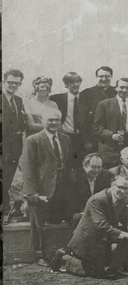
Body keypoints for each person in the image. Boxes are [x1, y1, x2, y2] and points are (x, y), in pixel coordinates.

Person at [53, 175, 128, 279]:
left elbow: (126, 218)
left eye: (126, 188)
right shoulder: (98, 199)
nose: (123, 191)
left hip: (105, 237)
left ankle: (114, 269)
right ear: (112, 185)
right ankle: (64, 257)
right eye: (120, 187)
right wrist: (126, 234)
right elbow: (101, 225)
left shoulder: (121, 198)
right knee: (94, 273)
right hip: (89, 240)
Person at [21, 108, 72, 266]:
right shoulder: (33, 140)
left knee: (64, 220)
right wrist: (33, 194)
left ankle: (63, 252)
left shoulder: (65, 139)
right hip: (41, 190)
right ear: (43, 121)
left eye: (57, 120)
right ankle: (39, 255)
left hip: (61, 189)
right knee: (38, 224)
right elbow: (28, 169)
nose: (54, 123)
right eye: (50, 120)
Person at [93, 78, 128, 168]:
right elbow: (97, 127)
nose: (124, 90)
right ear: (116, 88)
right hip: (110, 149)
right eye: (121, 87)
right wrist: (111, 135)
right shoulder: (104, 104)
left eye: (127, 88)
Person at [2, 69, 26, 218]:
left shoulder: (18, 100)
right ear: (3, 81)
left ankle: (5, 213)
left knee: (8, 179)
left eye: (16, 83)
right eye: (10, 82)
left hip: (14, 148)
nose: (13, 86)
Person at [50, 72, 86, 166]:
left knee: (79, 166)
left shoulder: (86, 99)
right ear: (66, 84)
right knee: (65, 164)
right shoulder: (57, 98)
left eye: (78, 81)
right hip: (65, 136)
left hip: (81, 138)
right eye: (72, 82)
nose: (76, 84)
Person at [69, 153, 113, 230]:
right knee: (78, 218)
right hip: (79, 211)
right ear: (84, 166)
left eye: (99, 167)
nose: (96, 170)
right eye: (93, 167)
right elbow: (71, 201)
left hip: (99, 211)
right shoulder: (73, 177)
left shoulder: (106, 176)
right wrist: (86, 212)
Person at [79, 66, 117, 152]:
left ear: (111, 77)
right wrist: (87, 140)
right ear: (96, 77)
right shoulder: (87, 93)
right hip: (94, 139)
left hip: (113, 137)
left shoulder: (117, 92)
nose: (104, 79)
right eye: (101, 76)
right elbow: (83, 120)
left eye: (107, 76)